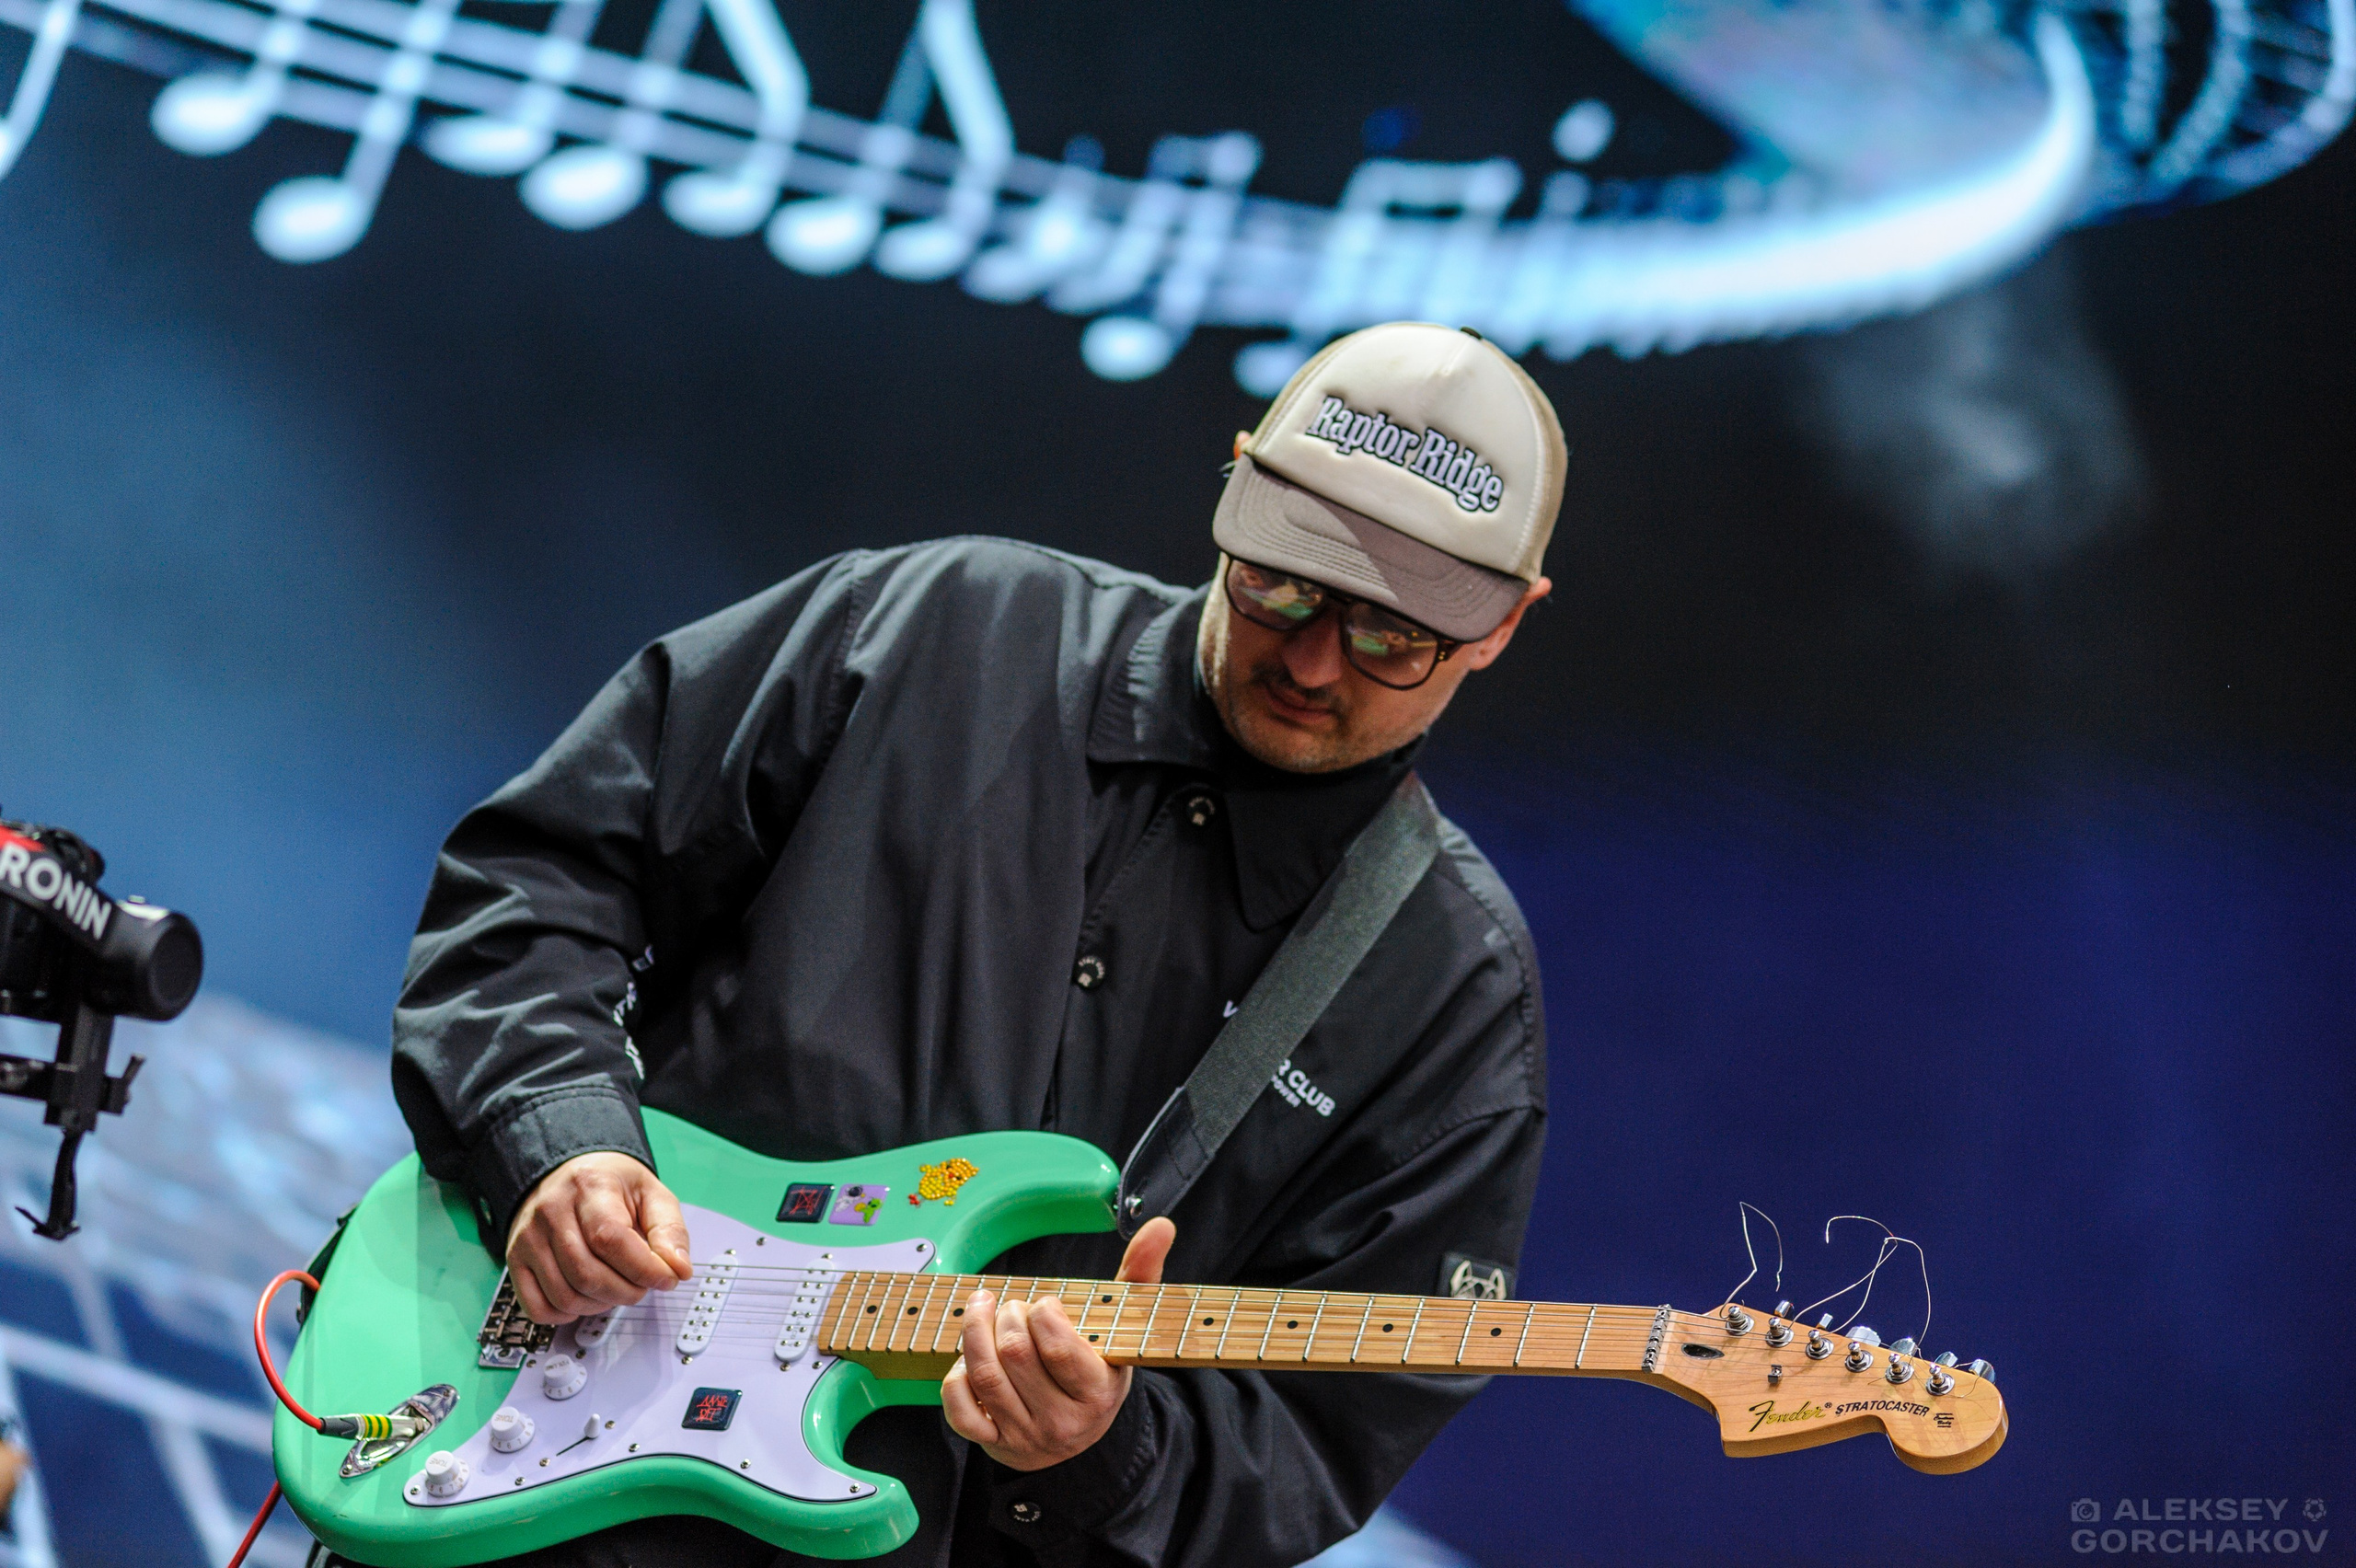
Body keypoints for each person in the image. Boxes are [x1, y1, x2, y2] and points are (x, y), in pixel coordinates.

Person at [379, 321, 1566, 1568]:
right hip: (522, 1486)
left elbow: (1319, 1438)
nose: (1314, 660)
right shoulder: (935, 626)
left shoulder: (1454, 990)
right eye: (1283, 583)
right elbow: (548, 872)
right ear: (1237, 490)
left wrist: (1105, 1448)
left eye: (1392, 637)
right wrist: (555, 1136)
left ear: (1502, 625)